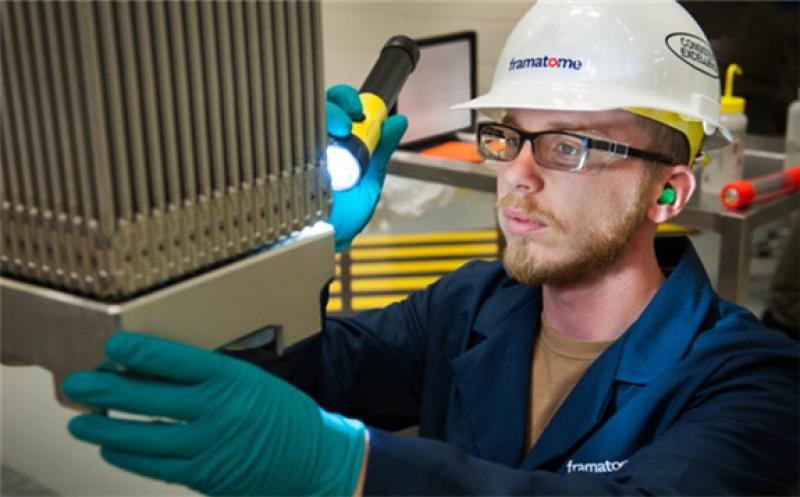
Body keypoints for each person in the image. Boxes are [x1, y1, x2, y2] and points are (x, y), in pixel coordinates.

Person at [62, 1, 799, 495]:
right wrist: (294, 248)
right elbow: (305, 377)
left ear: (668, 194)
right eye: (508, 136)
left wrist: (353, 465)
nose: (518, 174)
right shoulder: (473, 303)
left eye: (566, 145)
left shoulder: (752, 380)